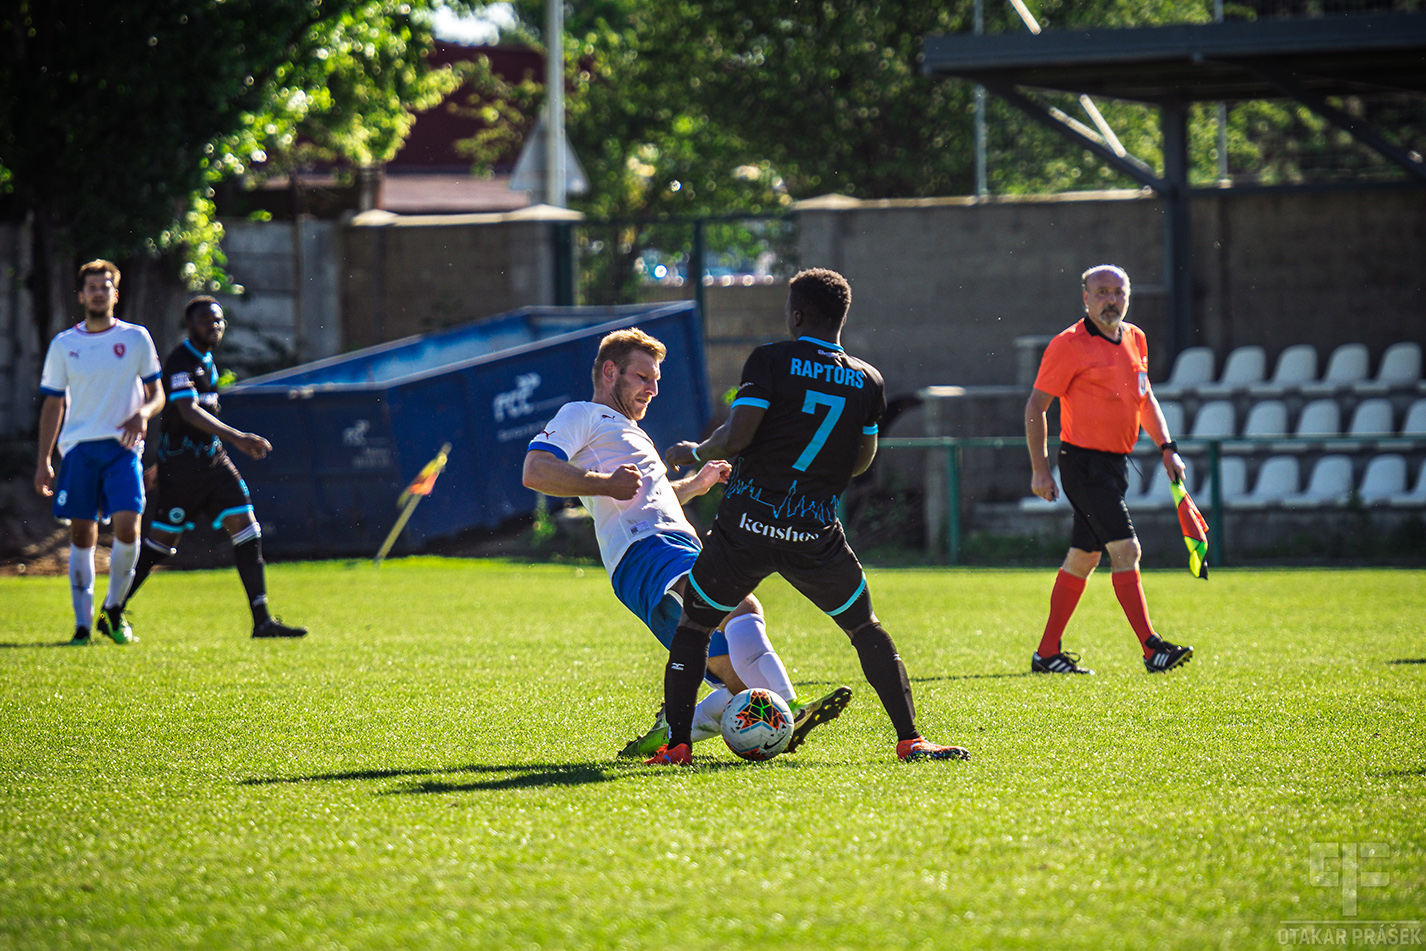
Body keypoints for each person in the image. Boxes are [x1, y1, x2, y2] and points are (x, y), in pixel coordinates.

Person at [648, 268, 972, 765]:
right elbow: (863, 460)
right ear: (842, 317)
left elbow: (737, 436)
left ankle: (677, 748)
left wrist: (696, 452)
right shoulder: (868, 380)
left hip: (748, 525)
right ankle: (911, 740)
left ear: (796, 315)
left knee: (695, 626)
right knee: (865, 627)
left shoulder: (771, 360)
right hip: (812, 529)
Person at [522, 328, 852, 757]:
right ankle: (789, 708)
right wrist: (605, 483)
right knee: (742, 606)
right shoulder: (582, 414)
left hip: (666, 547)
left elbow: (647, 496)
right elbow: (535, 470)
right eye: (642, 377)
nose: (653, 389)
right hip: (647, 548)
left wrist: (695, 486)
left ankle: (674, 728)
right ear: (609, 371)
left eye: (656, 379)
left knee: (730, 673)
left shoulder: (631, 432)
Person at [1024, 264, 1194, 675]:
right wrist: (1040, 470)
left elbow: (1144, 397)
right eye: (1101, 292)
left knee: (1084, 557)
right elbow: (1035, 407)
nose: (1111, 300)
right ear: (1085, 298)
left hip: (1115, 465)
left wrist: (1167, 448)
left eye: (1118, 292)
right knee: (1127, 550)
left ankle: (1047, 654)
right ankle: (1152, 648)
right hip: (1082, 464)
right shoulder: (1068, 345)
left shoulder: (1135, 337)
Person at [121, 297, 307, 639]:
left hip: (214, 461)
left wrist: (225, 443)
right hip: (183, 470)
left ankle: (262, 620)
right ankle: (113, 610)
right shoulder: (181, 360)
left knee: (248, 529)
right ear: (189, 325)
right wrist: (237, 437)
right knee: (160, 543)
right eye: (206, 320)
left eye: (219, 320)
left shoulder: (208, 360)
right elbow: (187, 411)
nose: (214, 325)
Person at [34, 259, 165, 645]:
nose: (98, 292)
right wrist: (44, 459)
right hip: (77, 450)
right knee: (82, 535)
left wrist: (142, 414)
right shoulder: (64, 344)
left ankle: (113, 609)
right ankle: (80, 625)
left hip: (123, 449)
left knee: (129, 527)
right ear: (81, 295)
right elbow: (53, 403)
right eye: (91, 286)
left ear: (115, 293)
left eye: (104, 286)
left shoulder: (137, 338)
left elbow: (157, 394)